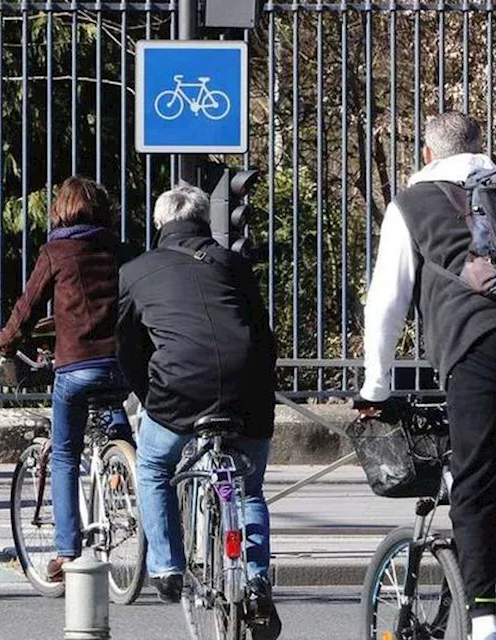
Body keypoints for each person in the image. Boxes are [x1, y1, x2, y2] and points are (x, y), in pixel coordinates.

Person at [355, 112, 496, 640]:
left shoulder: (412, 204)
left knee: (474, 482)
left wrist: (374, 388)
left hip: (480, 345)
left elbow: (386, 304)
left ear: (427, 154)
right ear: (480, 147)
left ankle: (482, 618)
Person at [116, 185, 282, 640]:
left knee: (152, 465)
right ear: (206, 222)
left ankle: (166, 566)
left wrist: (148, 395)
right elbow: (262, 336)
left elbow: (127, 347)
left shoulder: (135, 271)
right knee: (248, 488)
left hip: (177, 392)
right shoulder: (233, 264)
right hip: (249, 393)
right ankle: (254, 578)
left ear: (159, 224)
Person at [0, 175, 135, 582]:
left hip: (75, 365)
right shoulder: (119, 250)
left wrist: (5, 343)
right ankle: (125, 470)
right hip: (120, 364)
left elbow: (27, 307)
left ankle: (67, 550)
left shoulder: (56, 252)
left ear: (61, 210)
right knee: (113, 408)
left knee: (66, 455)